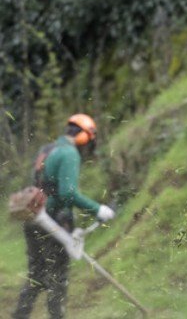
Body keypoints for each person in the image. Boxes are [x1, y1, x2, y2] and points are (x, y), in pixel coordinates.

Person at [14, 114, 115, 319]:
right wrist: (97, 209)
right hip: (53, 222)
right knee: (58, 279)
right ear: (84, 137)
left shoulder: (47, 149)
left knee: (36, 275)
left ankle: (19, 316)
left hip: (32, 217)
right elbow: (68, 193)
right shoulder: (69, 153)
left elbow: (38, 185)